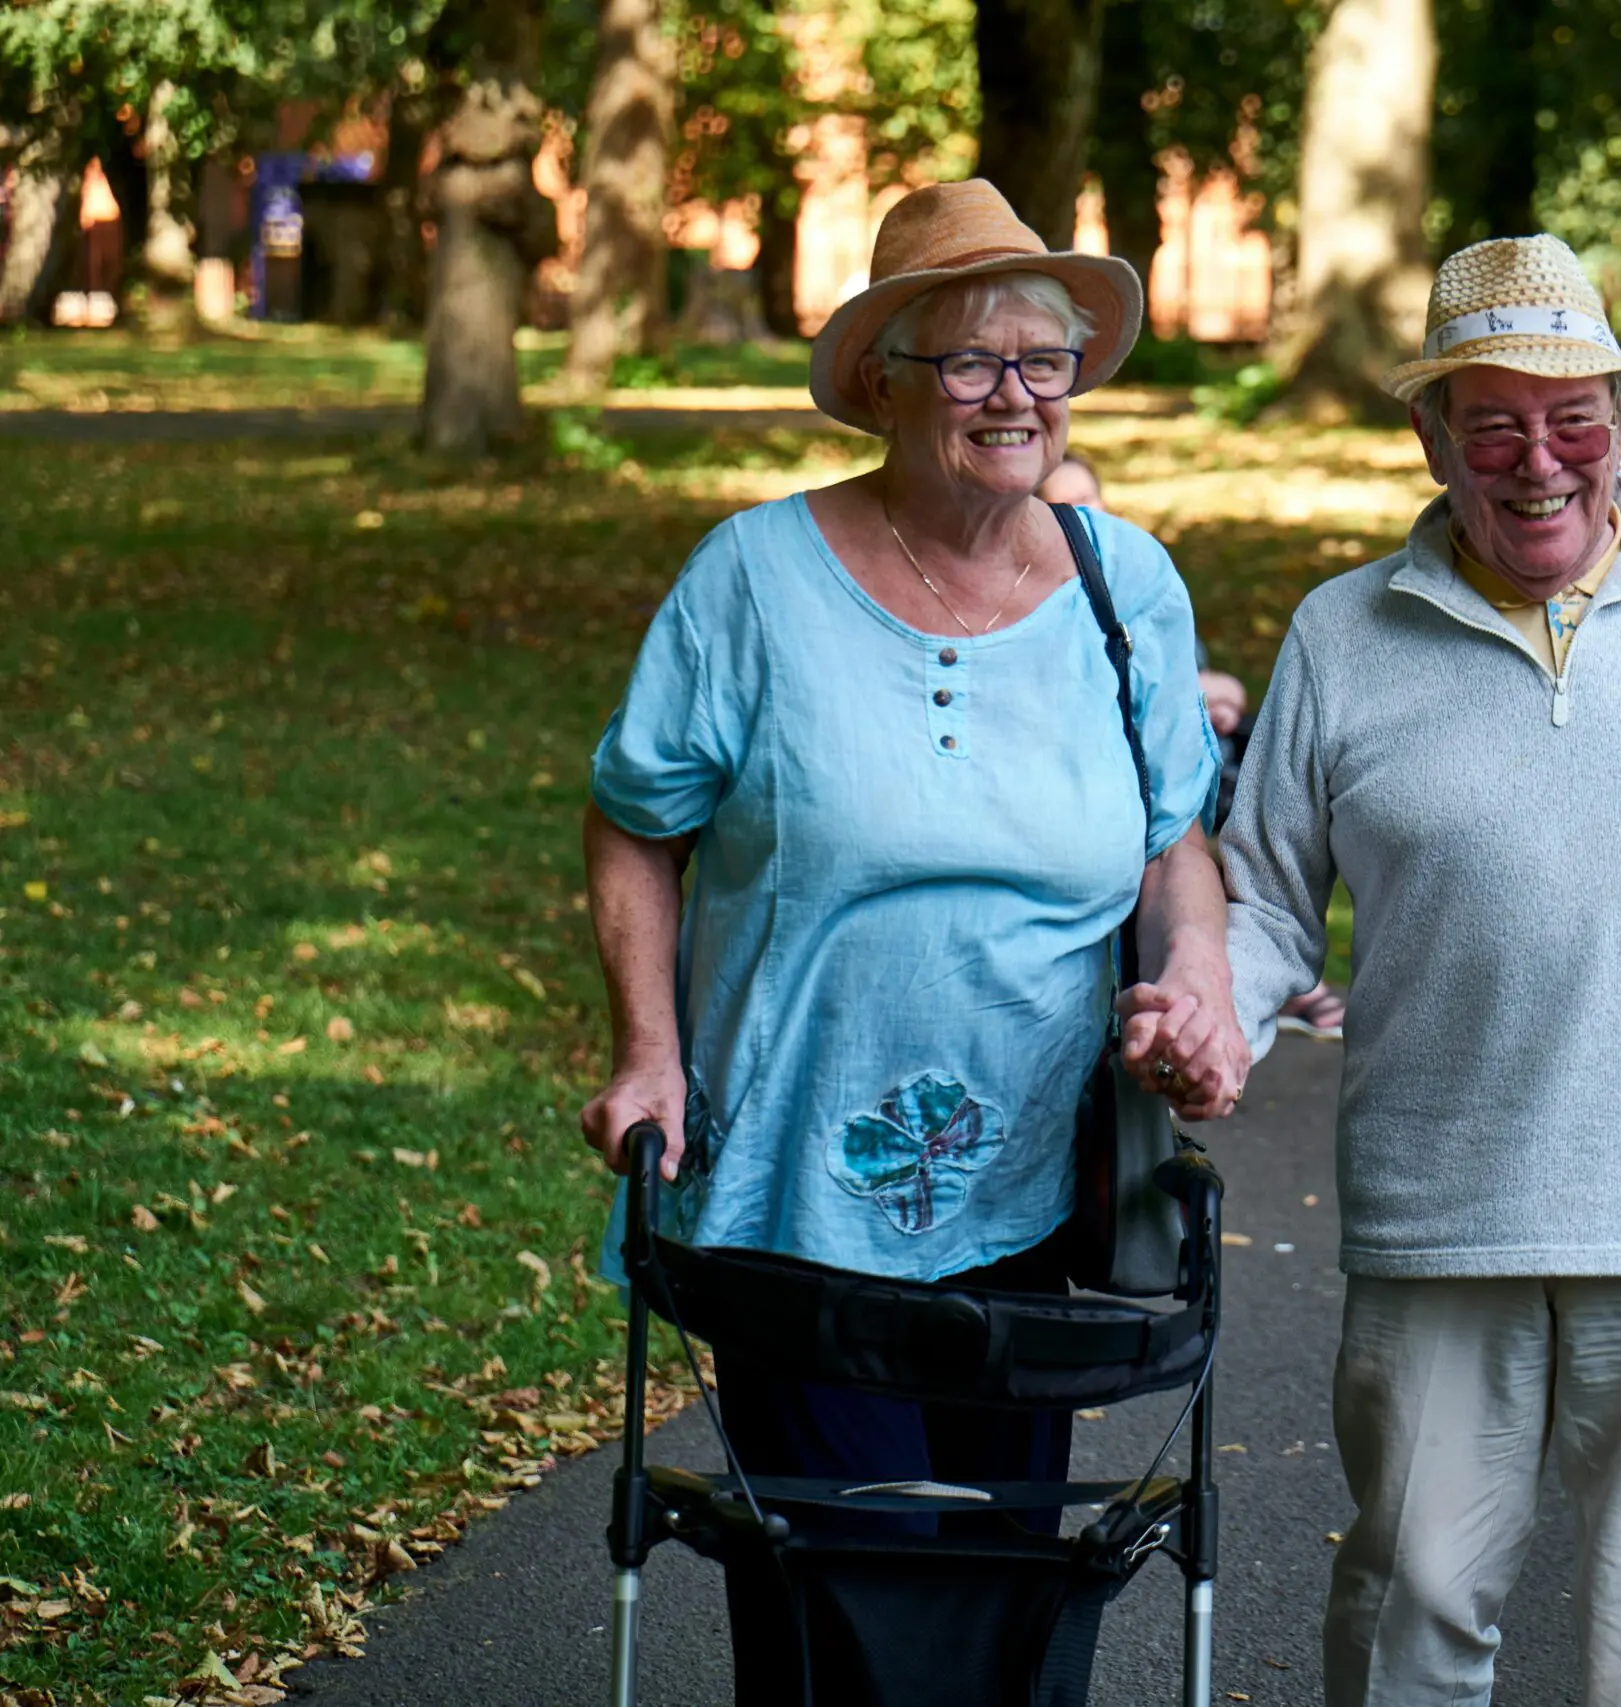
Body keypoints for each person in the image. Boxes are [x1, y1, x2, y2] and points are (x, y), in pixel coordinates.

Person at [1185, 233, 1621, 1707]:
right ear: (1431, 435)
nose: (1538, 461)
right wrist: (1213, 1010)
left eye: (1573, 419)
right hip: (1444, 1208)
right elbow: (1262, 897)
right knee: (1409, 1615)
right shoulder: (1343, 631)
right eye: (1494, 423)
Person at [576, 178, 1246, 1700]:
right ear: (886, 376)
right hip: (790, 1189)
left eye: (1045, 359)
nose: (1015, 395)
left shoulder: (1119, 585)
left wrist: (1195, 975)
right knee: (859, 1622)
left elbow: (1170, 839)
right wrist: (647, 1049)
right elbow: (634, 817)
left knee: (1009, 1601)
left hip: (1040, 1206)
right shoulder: (752, 579)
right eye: (971, 360)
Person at [1039, 451, 1350, 1041]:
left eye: (1090, 501)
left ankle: (1262, 981)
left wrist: (1217, 696)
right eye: (1063, 505)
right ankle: (1265, 986)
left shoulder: (1131, 587)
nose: (1082, 515)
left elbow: (1197, 686)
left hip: (1197, 780)